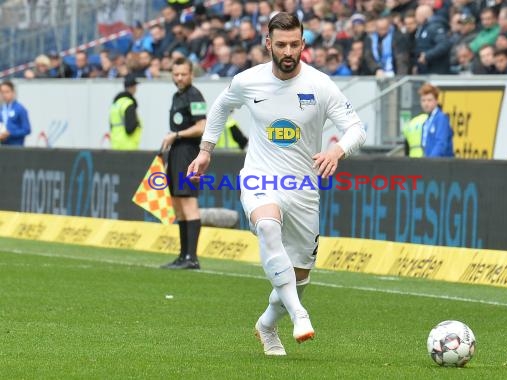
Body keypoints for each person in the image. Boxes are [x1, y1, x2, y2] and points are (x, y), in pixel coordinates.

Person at [187, 13, 366, 355]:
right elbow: (221, 107)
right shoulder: (247, 80)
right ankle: (300, 314)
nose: (288, 51)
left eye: (294, 44)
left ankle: (267, 324)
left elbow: (356, 127)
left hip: (302, 187)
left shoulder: (320, 85)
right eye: (281, 44)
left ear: (303, 44)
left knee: (300, 278)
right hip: (260, 178)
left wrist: (338, 149)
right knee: (268, 227)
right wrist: (206, 150)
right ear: (268, 43)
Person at [160, 57, 207, 270]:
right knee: (178, 205)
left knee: (188, 203)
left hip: (188, 152)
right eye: (176, 74)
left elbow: (202, 126)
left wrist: (176, 135)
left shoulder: (194, 94)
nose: (179, 78)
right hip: (177, 152)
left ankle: (192, 258)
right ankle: (182, 256)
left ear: (191, 74)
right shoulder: (175, 96)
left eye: (183, 74)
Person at [418, 83, 454, 157]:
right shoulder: (427, 121)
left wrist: (431, 162)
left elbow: (441, 144)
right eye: (423, 100)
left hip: (440, 164)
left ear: (436, 101)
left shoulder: (441, 118)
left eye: (429, 100)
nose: (426, 103)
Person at [109, 74, 143, 150]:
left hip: (115, 145)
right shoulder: (128, 104)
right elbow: (130, 129)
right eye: (135, 86)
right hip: (128, 146)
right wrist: (137, 123)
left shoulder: (116, 104)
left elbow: (111, 125)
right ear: (132, 87)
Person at [0, 80, 32, 146]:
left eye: (7, 92)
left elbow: (27, 129)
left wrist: (11, 133)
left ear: (13, 92)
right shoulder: (1, 109)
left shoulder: (20, 109)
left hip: (16, 147)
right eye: (2, 92)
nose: (4, 95)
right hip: (3, 146)